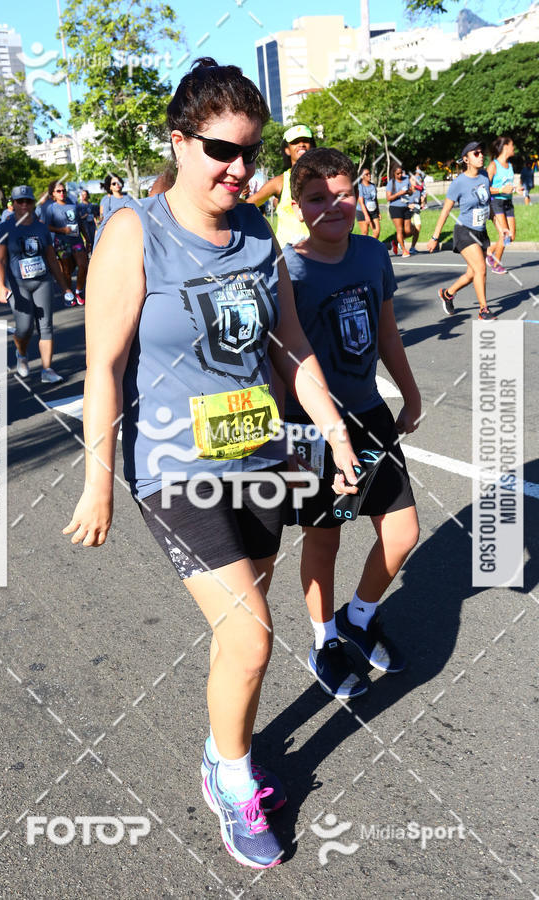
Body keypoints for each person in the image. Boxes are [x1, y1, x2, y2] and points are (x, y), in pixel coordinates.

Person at [63, 57, 362, 870]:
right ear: (179, 141)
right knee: (255, 637)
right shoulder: (135, 229)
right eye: (222, 151)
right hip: (174, 467)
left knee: (242, 636)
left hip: (260, 453)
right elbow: (105, 364)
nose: (241, 169)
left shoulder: (260, 231)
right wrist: (99, 484)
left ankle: (222, 741)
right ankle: (232, 775)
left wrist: (331, 428)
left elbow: (290, 343)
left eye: (252, 153)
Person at [283, 147, 420, 698]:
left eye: (343, 194)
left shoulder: (370, 254)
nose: (333, 206)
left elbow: (387, 334)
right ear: (298, 205)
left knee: (403, 531)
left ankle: (358, 619)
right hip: (314, 428)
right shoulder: (287, 270)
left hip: (370, 414)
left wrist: (409, 395)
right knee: (326, 539)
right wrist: (286, 438)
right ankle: (323, 642)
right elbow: (279, 360)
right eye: (318, 198)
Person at [0, 185, 74, 383]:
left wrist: (65, 287)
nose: (23, 205)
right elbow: (0, 261)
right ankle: (21, 353)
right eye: (19, 201)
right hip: (17, 284)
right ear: (12, 204)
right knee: (24, 328)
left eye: (27, 201)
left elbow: (52, 259)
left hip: (42, 281)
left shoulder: (40, 227)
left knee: (46, 327)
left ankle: (47, 369)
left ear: (32, 204)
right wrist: (0, 287)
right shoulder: (5, 228)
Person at [427, 140, 496, 321]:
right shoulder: (459, 182)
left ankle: (448, 293)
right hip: (464, 231)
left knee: (472, 273)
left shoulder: (484, 177)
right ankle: (483, 310)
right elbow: (446, 210)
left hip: (481, 231)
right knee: (481, 268)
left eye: (482, 152)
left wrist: (500, 226)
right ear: (466, 159)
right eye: (476, 153)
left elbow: (488, 204)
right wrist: (435, 237)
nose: (481, 156)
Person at [246, 124, 315, 247]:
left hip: (320, 253)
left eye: (305, 140)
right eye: (295, 142)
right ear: (287, 150)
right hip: (287, 257)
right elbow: (247, 206)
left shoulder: (325, 179)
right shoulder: (279, 182)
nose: (301, 144)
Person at [44, 182, 88, 306]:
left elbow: (80, 223)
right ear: (53, 194)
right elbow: (46, 226)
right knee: (67, 271)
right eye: (58, 191)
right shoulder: (51, 208)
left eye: (63, 191)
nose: (62, 193)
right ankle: (69, 295)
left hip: (76, 240)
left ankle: (79, 291)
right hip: (62, 242)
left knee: (83, 265)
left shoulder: (72, 205)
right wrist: (62, 230)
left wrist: (88, 239)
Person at [486, 136, 518, 275]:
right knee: (504, 235)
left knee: (511, 236)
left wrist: (517, 189)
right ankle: (496, 263)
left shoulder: (510, 165)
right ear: (505, 147)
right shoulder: (493, 165)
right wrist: (500, 190)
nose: (513, 148)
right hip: (496, 202)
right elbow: (484, 188)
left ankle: (489, 252)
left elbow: (508, 186)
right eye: (512, 145)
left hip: (508, 202)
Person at [385, 162, 415, 257]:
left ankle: (396, 241)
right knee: (399, 229)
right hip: (395, 208)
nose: (400, 175)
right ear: (394, 173)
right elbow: (388, 198)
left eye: (401, 173)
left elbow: (411, 192)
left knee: (408, 231)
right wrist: (399, 193)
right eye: (398, 173)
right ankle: (404, 250)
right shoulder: (391, 183)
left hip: (406, 207)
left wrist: (409, 191)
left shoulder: (406, 179)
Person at [355, 167, 381, 239]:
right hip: (362, 212)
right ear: (362, 176)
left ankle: (371, 247)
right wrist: (366, 216)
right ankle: (363, 249)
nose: (369, 175)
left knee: (377, 231)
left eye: (369, 173)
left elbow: (375, 199)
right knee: (365, 232)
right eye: (366, 174)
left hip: (373, 211)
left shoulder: (373, 186)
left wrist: (378, 212)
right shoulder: (360, 187)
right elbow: (361, 203)